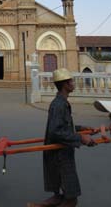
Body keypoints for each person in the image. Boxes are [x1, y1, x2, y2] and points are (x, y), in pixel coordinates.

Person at [28, 68, 96, 207]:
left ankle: (48, 202)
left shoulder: (61, 102)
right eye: (71, 81)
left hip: (60, 153)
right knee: (71, 199)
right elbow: (56, 132)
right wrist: (81, 138)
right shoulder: (59, 104)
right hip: (60, 155)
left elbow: (63, 125)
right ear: (65, 84)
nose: (73, 83)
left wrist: (81, 128)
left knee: (61, 191)